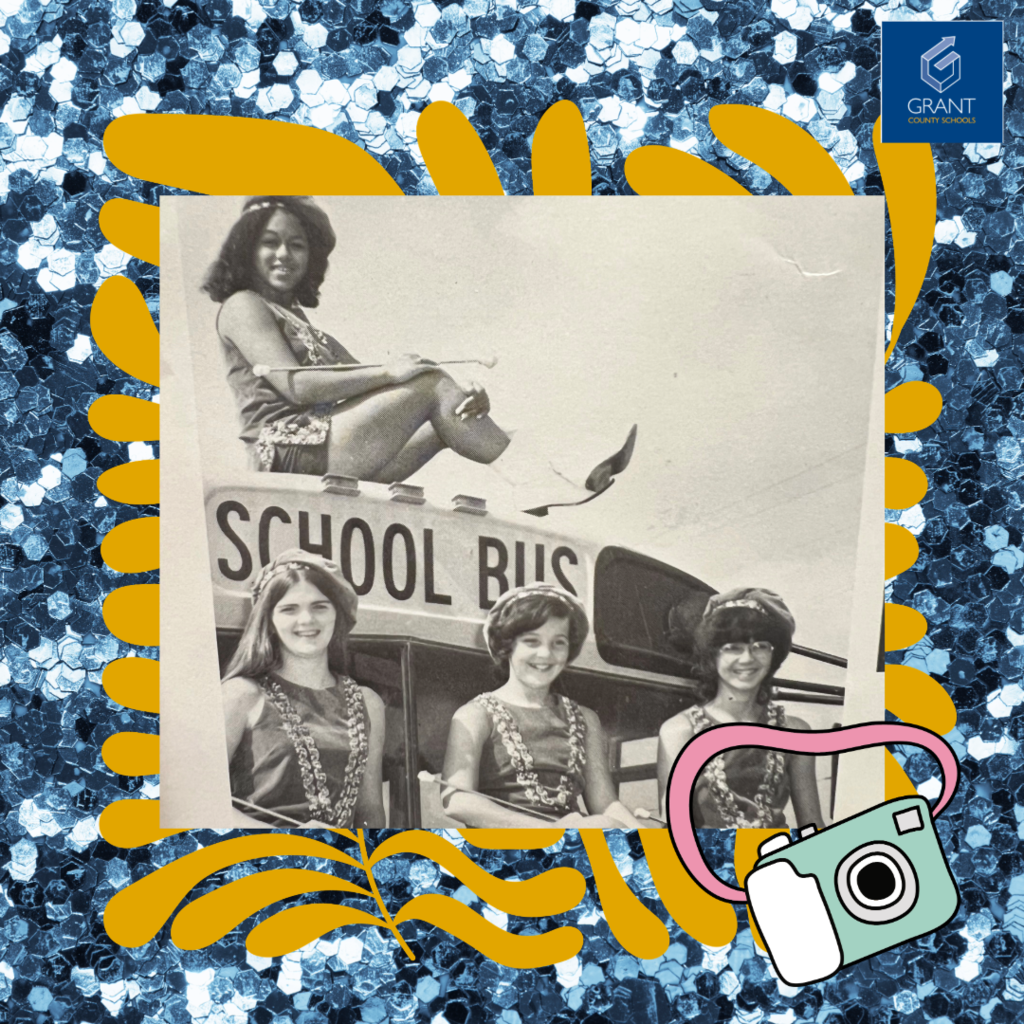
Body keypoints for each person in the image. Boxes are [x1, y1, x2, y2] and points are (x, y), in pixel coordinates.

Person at [202, 195, 510, 481]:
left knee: (447, 412)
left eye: (297, 245)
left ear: (311, 256)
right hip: (288, 454)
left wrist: (460, 397)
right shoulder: (244, 304)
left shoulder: (304, 325)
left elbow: (380, 390)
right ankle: (532, 477)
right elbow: (296, 385)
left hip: (325, 452)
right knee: (432, 383)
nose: (284, 254)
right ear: (246, 250)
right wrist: (398, 373)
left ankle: (540, 500)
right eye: (269, 243)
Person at [441, 584, 643, 828]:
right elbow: (457, 800)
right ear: (507, 646)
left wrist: (644, 836)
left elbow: (606, 804)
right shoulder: (476, 714)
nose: (545, 654)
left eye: (558, 642)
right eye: (531, 641)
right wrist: (549, 830)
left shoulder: (586, 719)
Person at [222, 548, 386, 828]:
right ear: (269, 621)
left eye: (320, 606)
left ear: (338, 614)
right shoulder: (240, 695)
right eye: (289, 609)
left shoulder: (368, 703)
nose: (307, 620)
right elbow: (198, 805)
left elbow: (370, 811)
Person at [656, 587, 825, 830]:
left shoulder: (796, 730)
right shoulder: (679, 731)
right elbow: (672, 829)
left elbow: (813, 826)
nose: (747, 658)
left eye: (760, 646)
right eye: (732, 647)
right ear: (712, 656)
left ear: (774, 653)